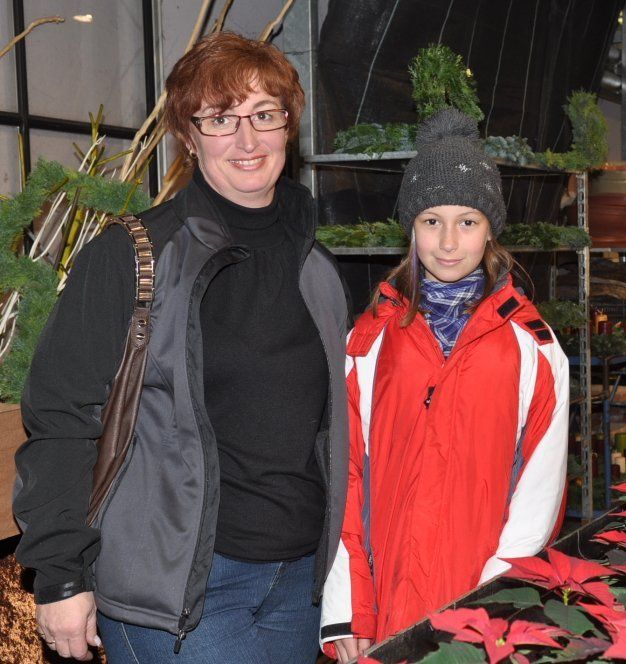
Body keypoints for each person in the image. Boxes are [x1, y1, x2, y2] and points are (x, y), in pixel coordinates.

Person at [13, 32, 350, 663]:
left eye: (265, 115)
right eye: (220, 119)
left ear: (289, 125)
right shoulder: (131, 256)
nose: (247, 140)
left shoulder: (319, 268)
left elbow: (338, 432)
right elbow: (61, 417)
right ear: (187, 137)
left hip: (301, 583)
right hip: (181, 593)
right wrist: (60, 573)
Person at [319, 108, 569, 662]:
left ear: (491, 228)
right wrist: (349, 607)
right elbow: (344, 477)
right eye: (432, 220)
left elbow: (541, 494)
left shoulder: (534, 347)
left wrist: (488, 613)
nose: (449, 242)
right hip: (385, 610)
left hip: (483, 620)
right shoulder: (368, 341)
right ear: (410, 227)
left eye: (468, 221)